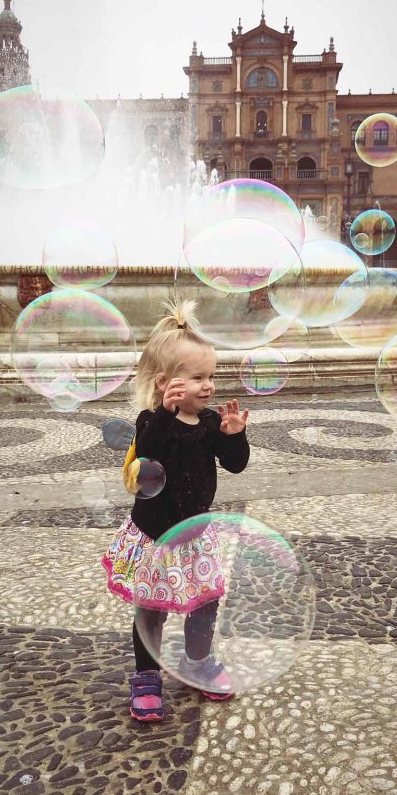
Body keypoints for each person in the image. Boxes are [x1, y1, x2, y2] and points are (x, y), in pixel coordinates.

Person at [102, 300, 250, 721]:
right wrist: (166, 414)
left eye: (211, 377)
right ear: (166, 384)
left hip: (194, 535)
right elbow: (147, 459)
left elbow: (234, 463)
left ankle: (198, 661)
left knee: (204, 603)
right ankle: (146, 675)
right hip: (154, 537)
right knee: (151, 609)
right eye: (197, 377)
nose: (208, 386)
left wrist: (235, 436)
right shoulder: (150, 422)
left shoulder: (207, 423)